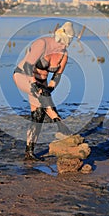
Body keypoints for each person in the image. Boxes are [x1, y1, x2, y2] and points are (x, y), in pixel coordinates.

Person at [13, 21, 75, 161]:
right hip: (23, 75)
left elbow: (56, 77)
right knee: (42, 96)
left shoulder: (64, 55)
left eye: (68, 44)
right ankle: (59, 123)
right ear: (58, 38)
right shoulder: (42, 44)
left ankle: (29, 152)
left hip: (42, 83)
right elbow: (29, 66)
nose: (64, 46)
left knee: (38, 116)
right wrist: (36, 86)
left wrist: (48, 89)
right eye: (63, 43)